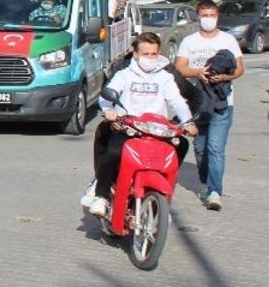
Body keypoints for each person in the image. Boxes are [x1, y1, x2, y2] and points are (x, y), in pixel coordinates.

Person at [84, 32, 197, 219]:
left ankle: (161, 201)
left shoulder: (165, 77)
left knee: (181, 145)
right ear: (136, 54)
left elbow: (177, 101)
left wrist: (188, 122)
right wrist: (109, 111)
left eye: (154, 54)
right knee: (114, 151)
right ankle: (102, 195)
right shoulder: (124, 74)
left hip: (157, 130)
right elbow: (107, 94)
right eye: (146, 54)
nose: (150, 58)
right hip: (128, 127)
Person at [174, 0, 244, 211]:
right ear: (198, 16)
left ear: (217, 16)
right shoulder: (189, 41)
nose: (208, 19)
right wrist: (197, 73)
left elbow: (240, 69)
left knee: (216, 148)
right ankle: (205, 181)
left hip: (223, 102)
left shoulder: (228, 40)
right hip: (198, 102)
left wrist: (224, 76)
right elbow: (179, 68)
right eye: (205, 15)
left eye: (212, 15)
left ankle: (215, 191)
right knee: (201, 148)